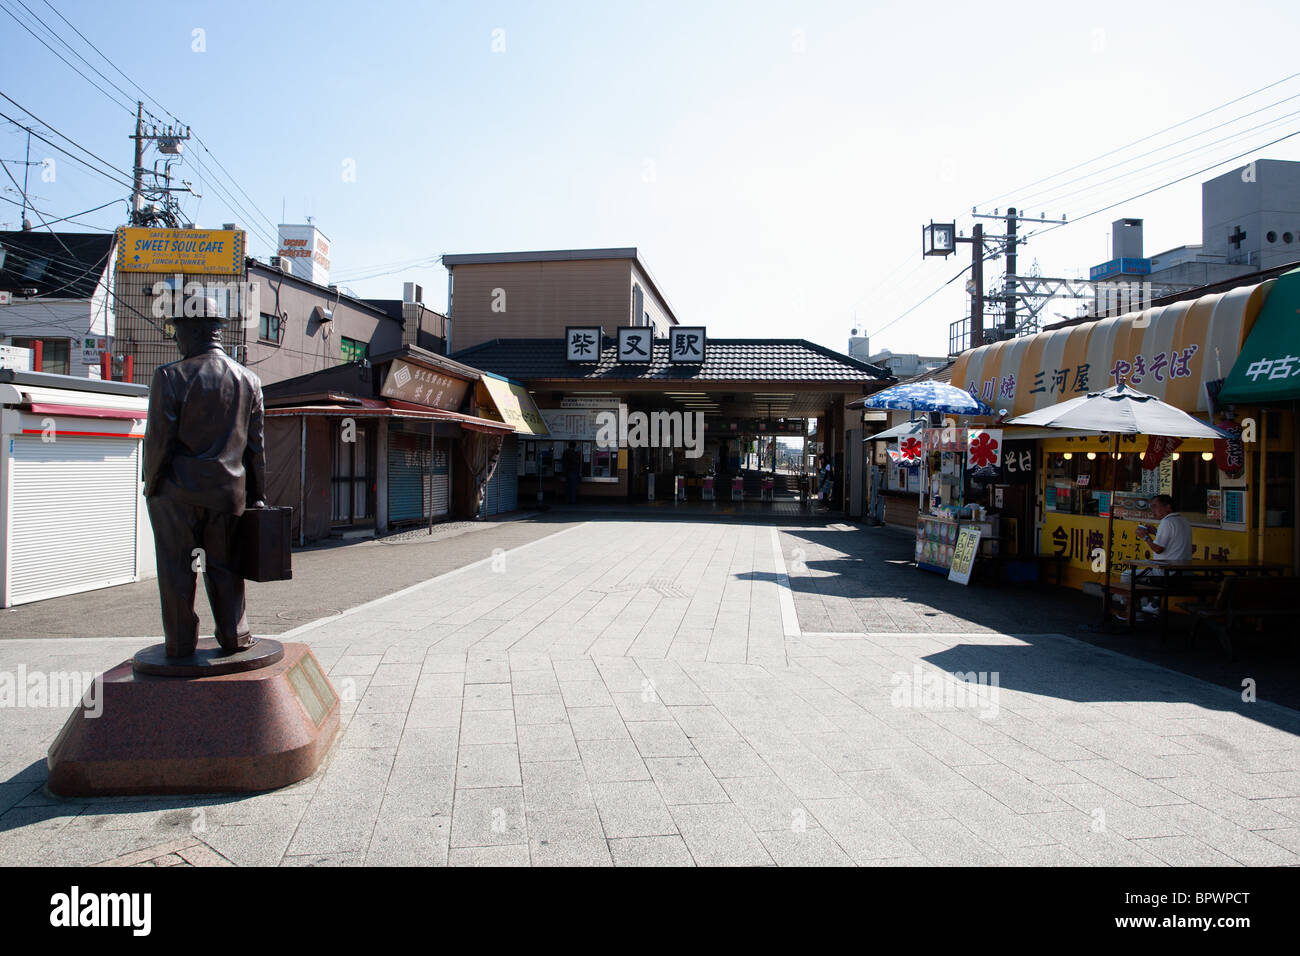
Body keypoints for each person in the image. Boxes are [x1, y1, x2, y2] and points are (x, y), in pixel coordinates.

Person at [142, 297, 265, 658]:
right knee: (225, 567)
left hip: (177, 492)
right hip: (228, 493)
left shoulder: (170, 376)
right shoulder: (249, 380)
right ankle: (234, 635)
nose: (176, 338)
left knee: (176, 568)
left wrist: (153, 482)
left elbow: (159, 441)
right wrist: (258, 495)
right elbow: (256, 449)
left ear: (194, 330)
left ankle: (180, 642)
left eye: (178, 330)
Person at [1115, 493, 1193, 619]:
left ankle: (1132, 611)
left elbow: (1158, 549)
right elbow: (1173, 541)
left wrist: (1145, 536)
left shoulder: (1166, 522)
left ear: (1168, 507)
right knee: (1145, 573)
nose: (1153, 510)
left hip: (1168, 574)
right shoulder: (1184, 521)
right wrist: (1156, 532)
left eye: (1155, 506)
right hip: (1183, 573)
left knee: (1127, 575)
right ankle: (1153, 603)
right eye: (1152, 507)